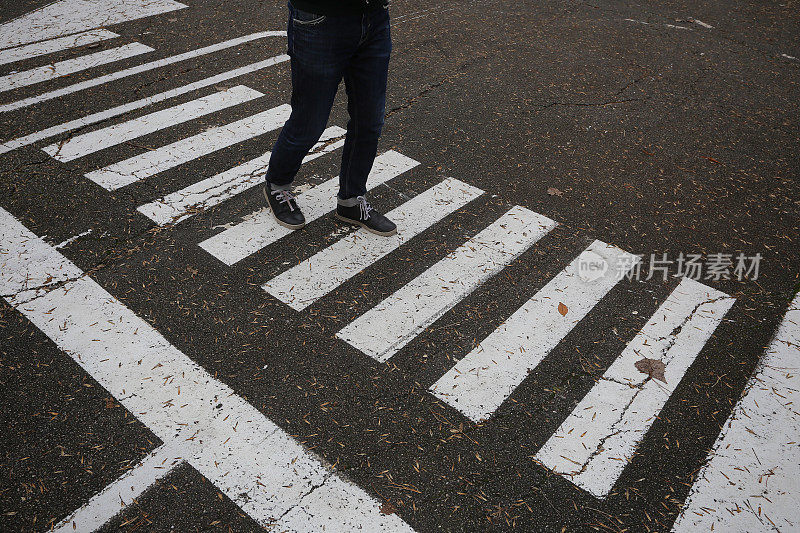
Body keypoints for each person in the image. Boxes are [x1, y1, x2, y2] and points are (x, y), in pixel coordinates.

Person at [262, 0, 396, 236]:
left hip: (374, 17)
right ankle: (278, 184)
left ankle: (351, 201)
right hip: (320, 19)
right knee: (310, 122)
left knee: (370, 121)